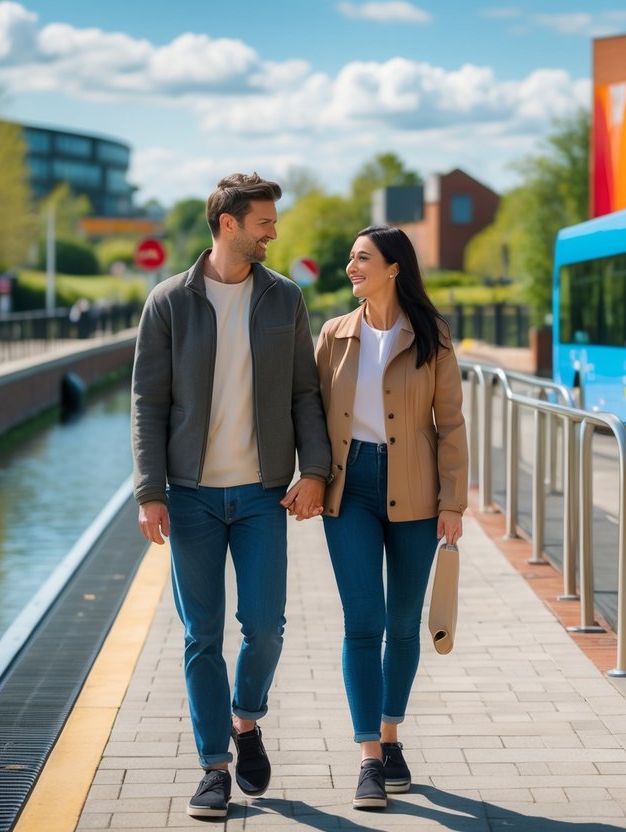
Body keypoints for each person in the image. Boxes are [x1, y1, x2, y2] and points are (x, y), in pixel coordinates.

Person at [130, 172, 331, 819]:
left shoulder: (284, 300)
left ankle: (247, 720)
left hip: (261, 494)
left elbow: (305, 392)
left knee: (266, 627)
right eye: (265, 222)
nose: (274, 232)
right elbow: (147, 403)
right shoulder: (168, 302)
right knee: (201, 636)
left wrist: (316, 471)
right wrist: (149, 490)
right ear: (228, 224)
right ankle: (213, 768)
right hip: (188, 497)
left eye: (273, 221)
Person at [314, 225, 468, 809]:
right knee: (364, 621)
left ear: (394, 267)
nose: (350, 267)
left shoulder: (433, 337)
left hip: (418, 491)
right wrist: (308, 478)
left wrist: (453, 502)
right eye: (350, 258)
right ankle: (369, 759)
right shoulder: (333, 335)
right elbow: (309, 410)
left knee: (404, 624)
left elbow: (450, 424)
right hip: (348, 490)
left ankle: (391, 733)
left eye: (361, 259)